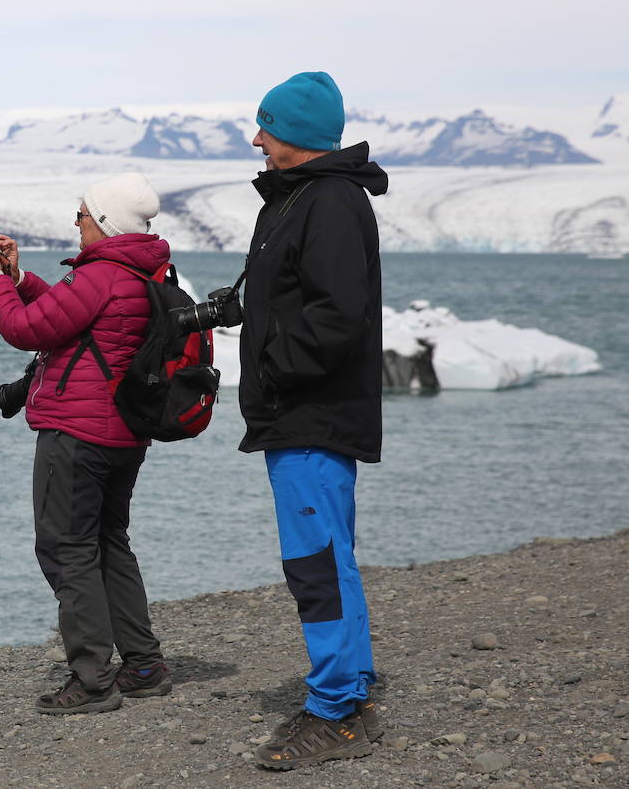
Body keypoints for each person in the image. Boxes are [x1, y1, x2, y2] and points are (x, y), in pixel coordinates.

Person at [236, 71, 389, 769]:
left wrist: (271, 368)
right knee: (331, 555)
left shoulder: (326, 201)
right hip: (307, 412)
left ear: (296, 134)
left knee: (316, 563)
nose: (257, 138)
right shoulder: (306, 196)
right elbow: (307, 300)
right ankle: (350, 682)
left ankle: (333, 711)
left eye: (266, 127)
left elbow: (336, 314)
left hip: (310, 413)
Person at [0, 172, 173, 715]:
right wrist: (22, 277)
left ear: (106, 222)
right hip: (123, 434)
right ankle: (142, 663)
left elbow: (24, 329)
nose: (77, 221)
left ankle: (91, 679)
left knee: (67, 548)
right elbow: (77, 323)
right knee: (109, 540)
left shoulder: (101, 274)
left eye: (84, 213)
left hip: (77, 433)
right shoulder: (137, 269)